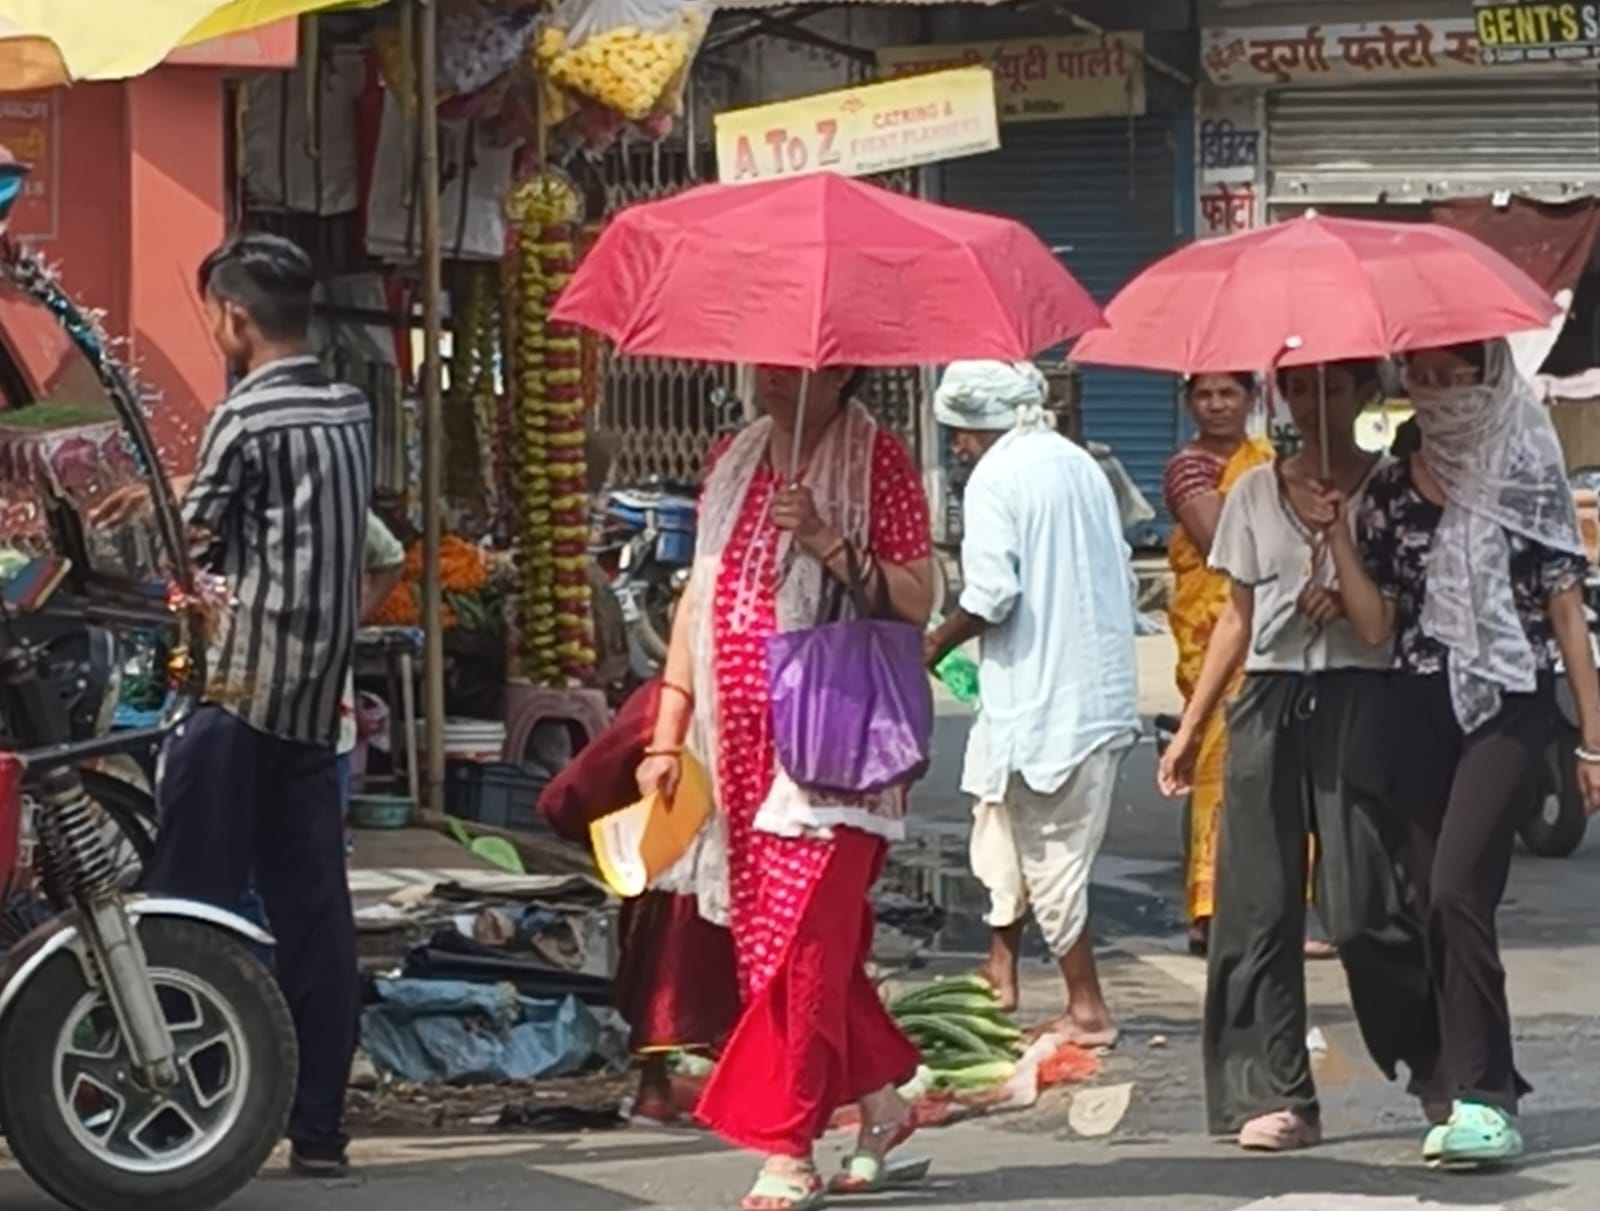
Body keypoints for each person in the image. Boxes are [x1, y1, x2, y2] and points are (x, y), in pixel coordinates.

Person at [94, 233, 369, 1177]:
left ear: (236, 320)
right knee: (315, 913)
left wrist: (130, 526)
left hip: (240, 687)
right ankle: (321, 1130)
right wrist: (169, 490)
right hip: (315, 699)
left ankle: (174, 1118)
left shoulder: (245, 415)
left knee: (184, 907)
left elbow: (197, 540)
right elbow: (270, 504)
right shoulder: (346, 406)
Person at [638, 365, 936, 1209]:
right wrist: (667, 734)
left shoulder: (880, 462)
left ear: (839, 365)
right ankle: (880, 1104)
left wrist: (826, 541)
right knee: (796, 947)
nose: (772, 371)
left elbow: (918, 597)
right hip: (737, 756)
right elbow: (699, 599)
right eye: (760, 353)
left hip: (834, 751)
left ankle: (789, 1142)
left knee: (801, 949)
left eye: (793, 356)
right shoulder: (731, 458)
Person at [1158, 360, 1440, 1154]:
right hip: (1272, 695)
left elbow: (1381, 622)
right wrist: (1190, 726)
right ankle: (1276, 1089)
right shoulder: (1251, 490)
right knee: (1254, 906)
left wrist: (1337, 538)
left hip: (1362, 695)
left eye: (1335, 387)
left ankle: (1432, 1056)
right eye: (1301, 388)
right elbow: (1238, 620)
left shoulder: (1391, 487)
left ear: (1361, 395)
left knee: (1362, 903)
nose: (1317, 404)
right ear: (1282, 398)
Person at [1331, 339, 1600, 1167]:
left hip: (1510, 703)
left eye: (1460, 372)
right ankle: (1471, 1078)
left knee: (1458, 889)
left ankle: (1482, 1096)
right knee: (1429, 901)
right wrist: (1332, 534)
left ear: (1490, 376)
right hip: (1416, 702)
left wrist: (1594, 739)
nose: (1442, 389)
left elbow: (1565, 612)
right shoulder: (1387, 484)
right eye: (1425, 373)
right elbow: (1375, 625)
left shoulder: (1527, 466)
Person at [925, 361, 1139, 1046]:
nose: (958, 447)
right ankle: (1001, 970)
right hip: (1089, 689)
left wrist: (930, 644)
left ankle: (1086, 1006)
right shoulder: (1077, 462)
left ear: (982, 424)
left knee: (1051, 858)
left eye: (960, 433)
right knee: (1004, 830)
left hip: (1047, 703)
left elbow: (990, 595)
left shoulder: (996, 478)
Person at [537, 678, 740, 1124]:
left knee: (662, 973)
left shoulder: (660, 699)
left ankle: (655, 1085)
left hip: (673, 857)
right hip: (747, 862)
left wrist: (573, 817)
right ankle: (738, 1089)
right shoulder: (777, 683)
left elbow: (590, 779)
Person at [1163, 373, 1274, 956]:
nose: (1216, 405)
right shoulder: (1188, 469)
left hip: (1274, 626)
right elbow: (1220, 543)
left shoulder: (1269, 459)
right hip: (1216, 635)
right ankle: (1210, 911)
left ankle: (1271, 910)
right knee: (1217, 772)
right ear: (1189, 404)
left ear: (1250, 400)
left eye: (1228, 393)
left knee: (1273, 775)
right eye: (1204, 395)